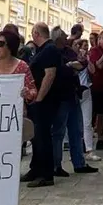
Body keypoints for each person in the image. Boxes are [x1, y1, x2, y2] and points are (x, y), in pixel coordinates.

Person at [49, 26, 99, 177]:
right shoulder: (52, 52)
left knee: (76, 130)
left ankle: (79, 163)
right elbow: (57, 71)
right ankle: (56, 165)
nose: (67, 40)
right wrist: (70, 66)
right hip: (60, 96)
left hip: (73, 94)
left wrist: (77, 63)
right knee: (58, 132)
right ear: (58, 39)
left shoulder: (68, 51)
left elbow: (81, 65)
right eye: (64, 38)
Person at [22, 23, 61, 188]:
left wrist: (39, 98)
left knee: (43, 136)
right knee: (36, 137)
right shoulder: (41, 50)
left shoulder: (49, 49)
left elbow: (49, 75)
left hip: (45, 101)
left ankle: (46, 174)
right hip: (37, 100)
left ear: (36, 33)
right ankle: (35, 169)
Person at [0, 30, 37, 105]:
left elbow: (33, 91)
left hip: (16, 114)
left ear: (10, 45)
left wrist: (28, 94)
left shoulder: (22, 67)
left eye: (0, 44)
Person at [74, 39, 101, 162]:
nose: (84, 49)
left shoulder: (87, 59)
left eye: (86, 47)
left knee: (87, 123)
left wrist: (88, 60)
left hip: (86, 91)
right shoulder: (71, 59)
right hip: (74, 93)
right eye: (82, 46)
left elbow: (93, 70)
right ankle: (76, 151)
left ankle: (89, 150)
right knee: (74, 124)